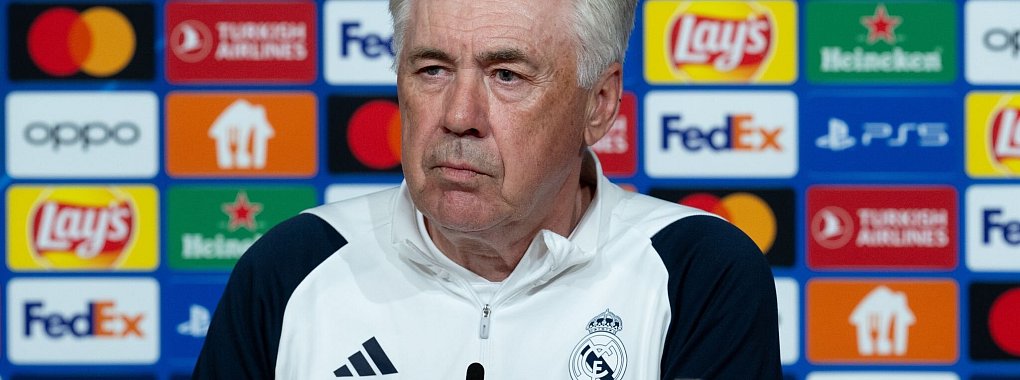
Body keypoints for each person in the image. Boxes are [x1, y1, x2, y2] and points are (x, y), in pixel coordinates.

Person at [193, 0, 782, 378]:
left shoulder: (697, 272)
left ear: (598, 105)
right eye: (432, 70)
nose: (458, 115)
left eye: (507, 75)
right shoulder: (293, 267)